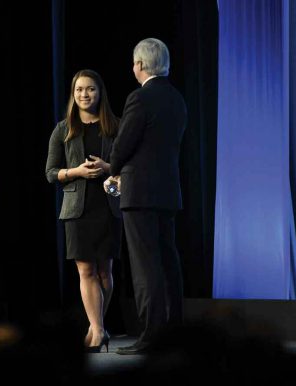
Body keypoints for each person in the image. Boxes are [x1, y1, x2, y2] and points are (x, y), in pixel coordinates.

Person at [104, 38, 187, 355]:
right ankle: (174, 331)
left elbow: (124, 144)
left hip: (139, 193)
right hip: (167, 192)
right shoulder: (177, 99)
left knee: (145, 266)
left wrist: (112, 167)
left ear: (139, 65)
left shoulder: (140, 98)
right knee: (169, 262)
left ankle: (151, 334)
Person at [45, 69, 122, 353]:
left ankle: (94, 327)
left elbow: (128, 165)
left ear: (99, 92)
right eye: (79, 90)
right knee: (85, 270)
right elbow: (51, 173)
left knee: (105, 271)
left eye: (90, 89)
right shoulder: (63, 129)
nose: (84, 94)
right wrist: (76, 171)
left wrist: (107, 168)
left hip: (108, 207)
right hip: (77, 210)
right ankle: (99, 329)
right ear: (73, 95)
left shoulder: (115, 126)